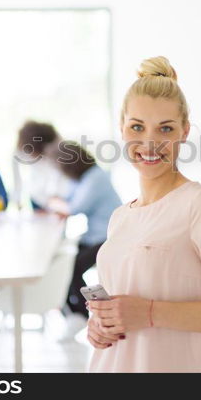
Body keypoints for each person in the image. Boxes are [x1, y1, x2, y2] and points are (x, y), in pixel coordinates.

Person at [86, 56, 201, 373]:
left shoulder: (200, 205)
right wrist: (99, 325)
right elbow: (123, 307)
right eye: (137, 127)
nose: (149, 143)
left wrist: (151, 313)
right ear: (122, 129)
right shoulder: (120, 218)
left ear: (184, 132)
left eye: (165, 129)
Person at [45, 141, 122, 340]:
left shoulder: (96, 177)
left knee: (72, 266)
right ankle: (71, 313)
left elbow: (73, 207)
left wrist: (57, 203)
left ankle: (79, 314)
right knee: (59, 262)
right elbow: (64, 200)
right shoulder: (81, 179)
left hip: (109, 238)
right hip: (93, 236)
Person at [11, 120, 70, 211]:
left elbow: (61, 172)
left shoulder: (54, 141)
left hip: (58, 197)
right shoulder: (20, 149)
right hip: (37, 196)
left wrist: (55, 198)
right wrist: (17, 200)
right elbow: (16, 177)